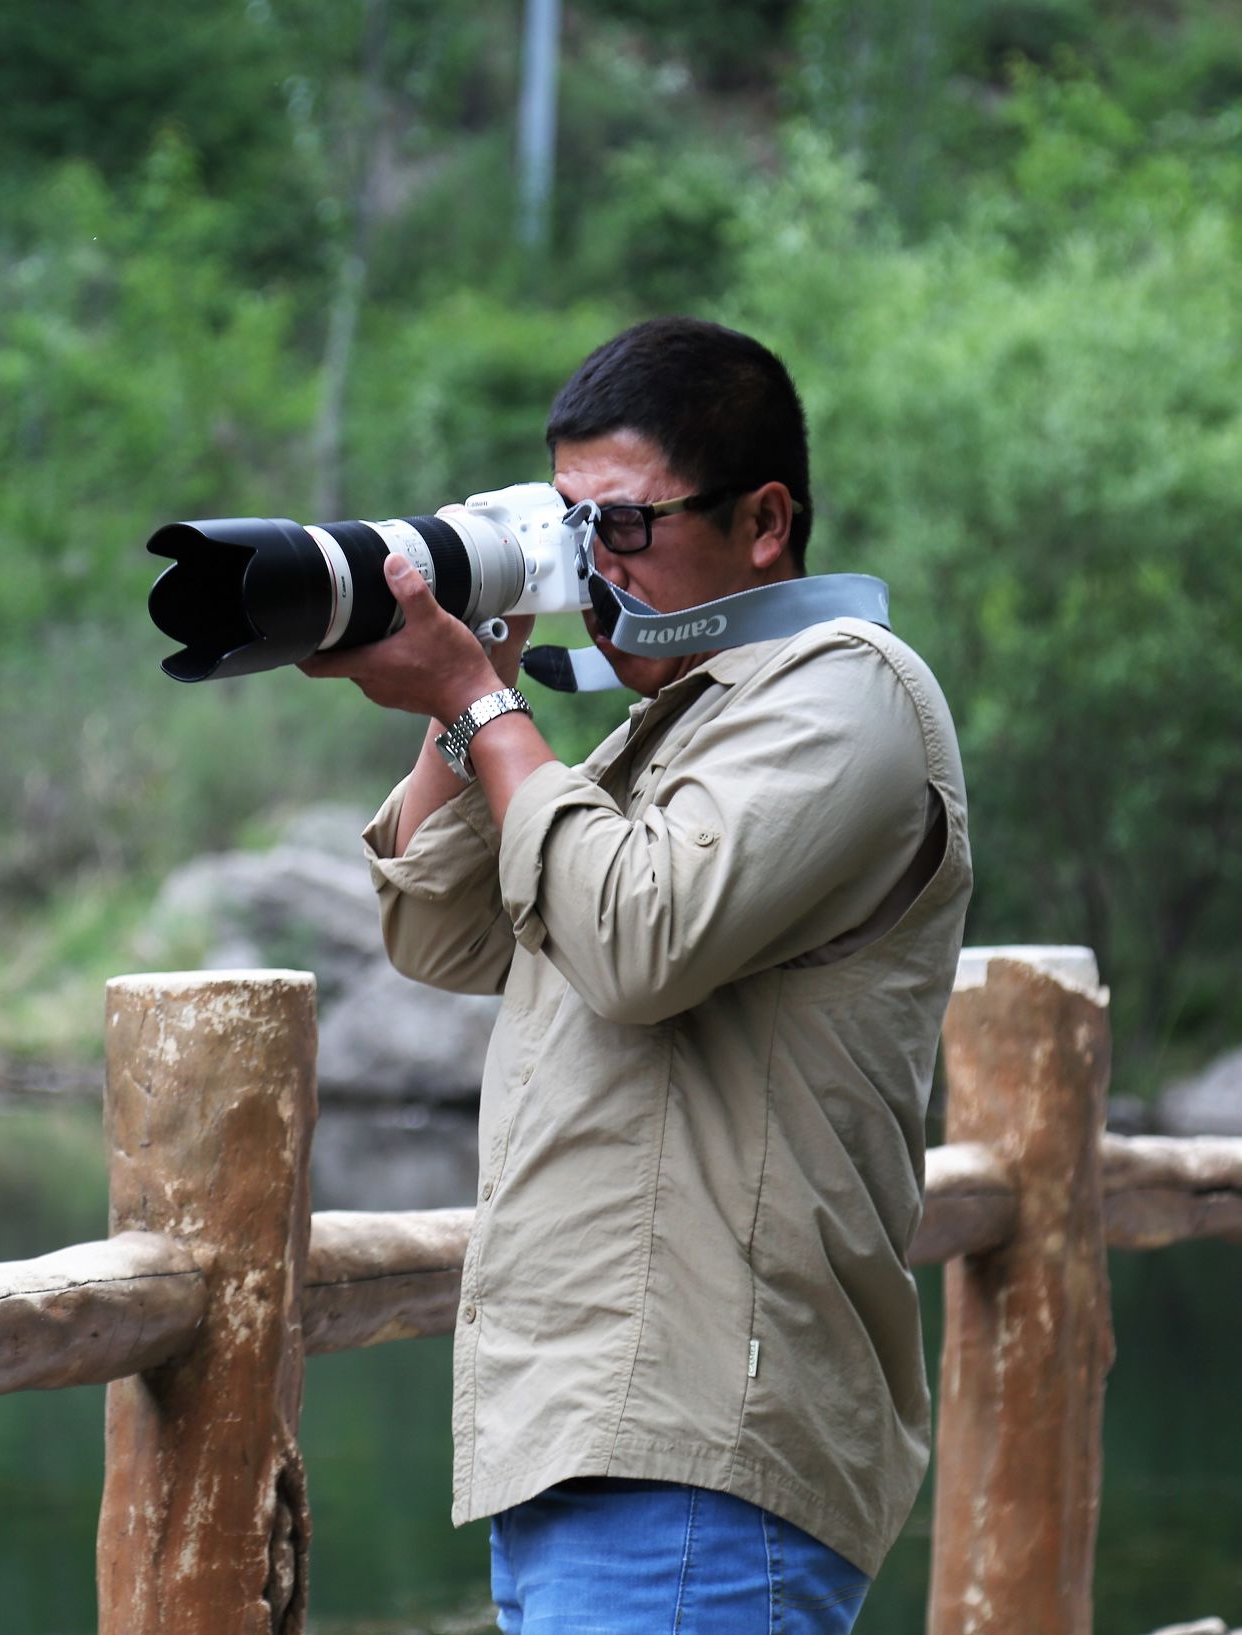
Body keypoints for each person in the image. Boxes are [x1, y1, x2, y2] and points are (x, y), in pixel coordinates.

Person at [299, 316, 971, 1633]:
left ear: (764, 522)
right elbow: (444, 935)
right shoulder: (667, 727)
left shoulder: (843, 697)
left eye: (621, 526)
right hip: (592, 1428)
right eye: (565, 526)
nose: (587, 565)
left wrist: (490, 716)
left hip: (704, 1431)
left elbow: (633, 941)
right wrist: (465, 686)